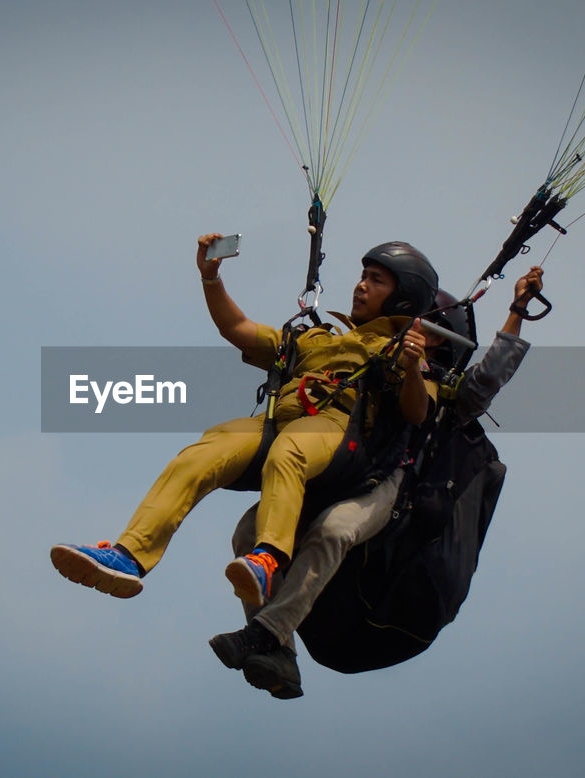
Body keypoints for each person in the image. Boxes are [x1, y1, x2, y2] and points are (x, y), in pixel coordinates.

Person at [208, 265, 546, 699]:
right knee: (247, 532)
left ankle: (266, 633)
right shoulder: (373, 362)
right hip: (336, 473)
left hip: (387, 489)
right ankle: (280, 655)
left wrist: (517, 308)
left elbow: (490, 377)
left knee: (334, 529)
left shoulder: (446, 391)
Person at [51, 234, 440, 607]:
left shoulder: (401, 351)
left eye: (376, 281)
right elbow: (235, 328)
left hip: (336, 432)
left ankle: (268, 559)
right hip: (279, 423)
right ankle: (129, 555)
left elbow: (416, 412)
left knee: (290, 452)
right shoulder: (318, 338)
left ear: (403, 299)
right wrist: (210, 277)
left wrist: (408, 365)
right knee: (204, 451)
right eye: (363, 276)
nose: (361, 286)